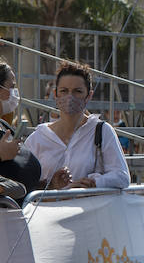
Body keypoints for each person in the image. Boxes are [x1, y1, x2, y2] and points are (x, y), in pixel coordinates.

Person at [23, 61, 130, 191]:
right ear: (55, 94)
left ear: (88, 96)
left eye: (77, 91)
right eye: (64, 91)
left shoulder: (101, 131)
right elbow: (24, 184)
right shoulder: (38, 138)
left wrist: (93, 182)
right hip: (47, 210)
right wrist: (51, 185)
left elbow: (122, 176)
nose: (70, 97)